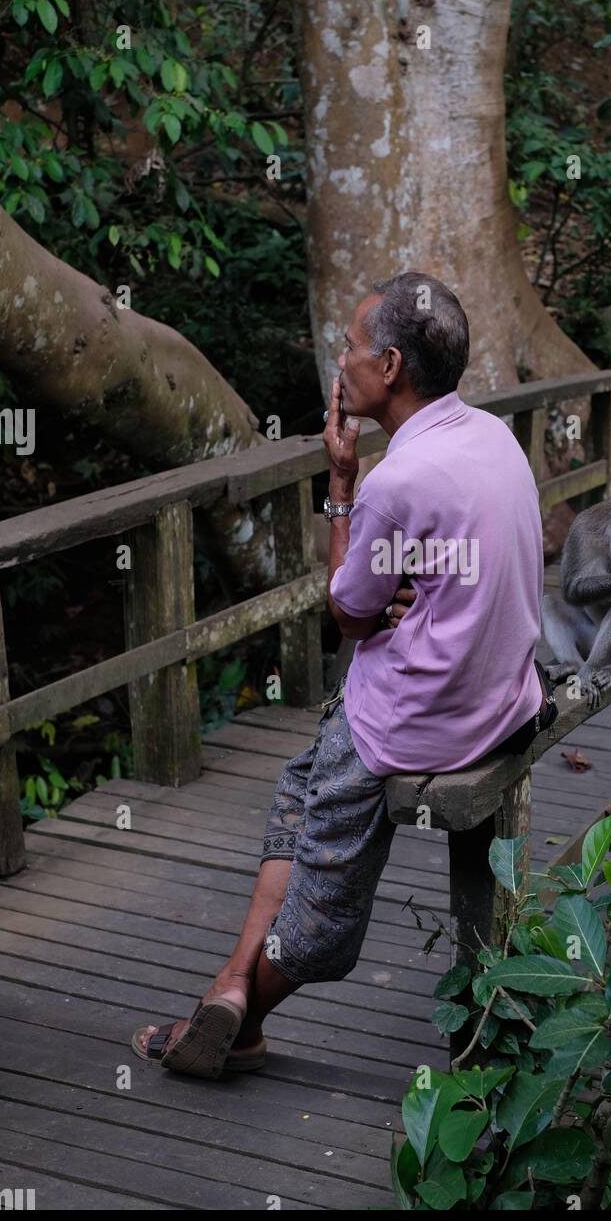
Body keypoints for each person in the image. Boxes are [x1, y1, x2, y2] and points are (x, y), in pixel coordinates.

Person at [131, 271, 546, 1078]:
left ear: (389, 366)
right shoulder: (492, 436)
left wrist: (342, 488)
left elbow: (349, 615)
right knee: (297, 784)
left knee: (322, 904)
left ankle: (238, 1007)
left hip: (423, 719)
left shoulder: (393, 480)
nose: (341, 362)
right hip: (503, 696)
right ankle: (227, 996)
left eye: (351, 348)